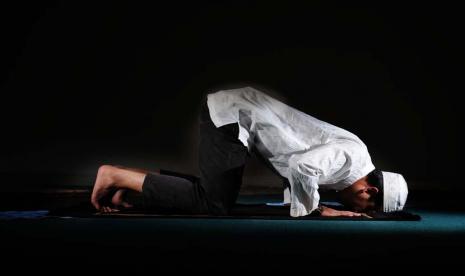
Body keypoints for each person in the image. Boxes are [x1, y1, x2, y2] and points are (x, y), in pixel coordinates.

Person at [91, 87, 408, 217]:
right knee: (215, 203)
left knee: (216, 193)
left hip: (237, 113)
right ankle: (115, 175)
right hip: (234, 116)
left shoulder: (352, 161)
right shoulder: (349, 160)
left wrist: (300, 202)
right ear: (370, 190)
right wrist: (317, 210)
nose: (358, 210)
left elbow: (300, 163)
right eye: (367, 207)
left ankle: (126, 185)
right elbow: (300, 166)